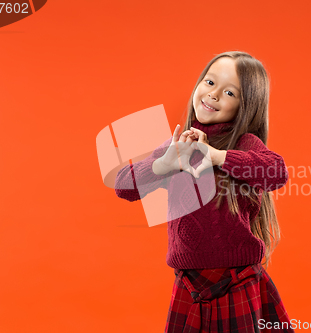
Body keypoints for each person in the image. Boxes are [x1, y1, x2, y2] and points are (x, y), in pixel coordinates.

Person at [115, 51, 294, 333]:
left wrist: (217, 156)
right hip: (189, 286)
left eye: (230, 92)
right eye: (210, 83)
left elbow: (277, 172)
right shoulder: (178, 146)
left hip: (238, 283)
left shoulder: (245, 143)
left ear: (247, 105)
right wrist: (164, 163)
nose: (213, 95)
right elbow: (123, 186)